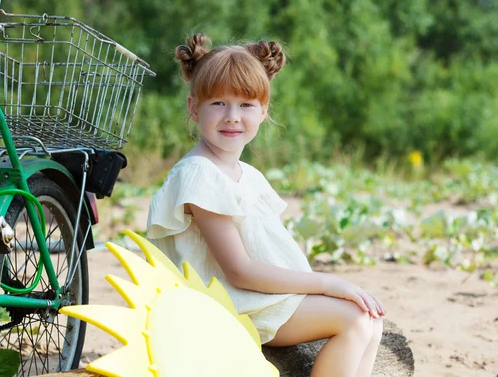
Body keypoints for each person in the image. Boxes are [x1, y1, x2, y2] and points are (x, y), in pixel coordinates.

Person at [146, 34, 385, 377]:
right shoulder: (200, 174)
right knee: (355, 320)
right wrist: (328, 283)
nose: (232, 117)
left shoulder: (247, 174)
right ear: (194, 108)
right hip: (229, 307)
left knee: (370, 320)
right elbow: (240, 270)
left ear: (263, 111)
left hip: (258, 299)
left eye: (245, 105)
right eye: (218, 104)